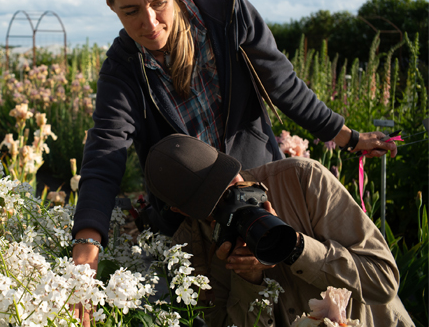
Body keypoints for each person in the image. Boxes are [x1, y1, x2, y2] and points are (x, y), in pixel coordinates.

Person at [71, 0, 398, 323]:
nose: (150, 22)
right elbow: (105, 154)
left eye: (159, 3)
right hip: (197, 220)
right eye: (130, 12)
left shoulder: (225, 12)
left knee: (298, 292)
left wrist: (350, 138)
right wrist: (86, 249)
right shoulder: (122, 67)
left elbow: (285, 87)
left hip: (262, 187)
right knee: (242, 310)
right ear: (111, 7)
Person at [143, 134, 413, 327]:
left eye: (232, 183)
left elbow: (384, 281)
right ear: (182, 211)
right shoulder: (192, 248)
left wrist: (297, 248)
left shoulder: (302, 179)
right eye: (216, 204)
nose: (234, 201)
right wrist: (248, 279)